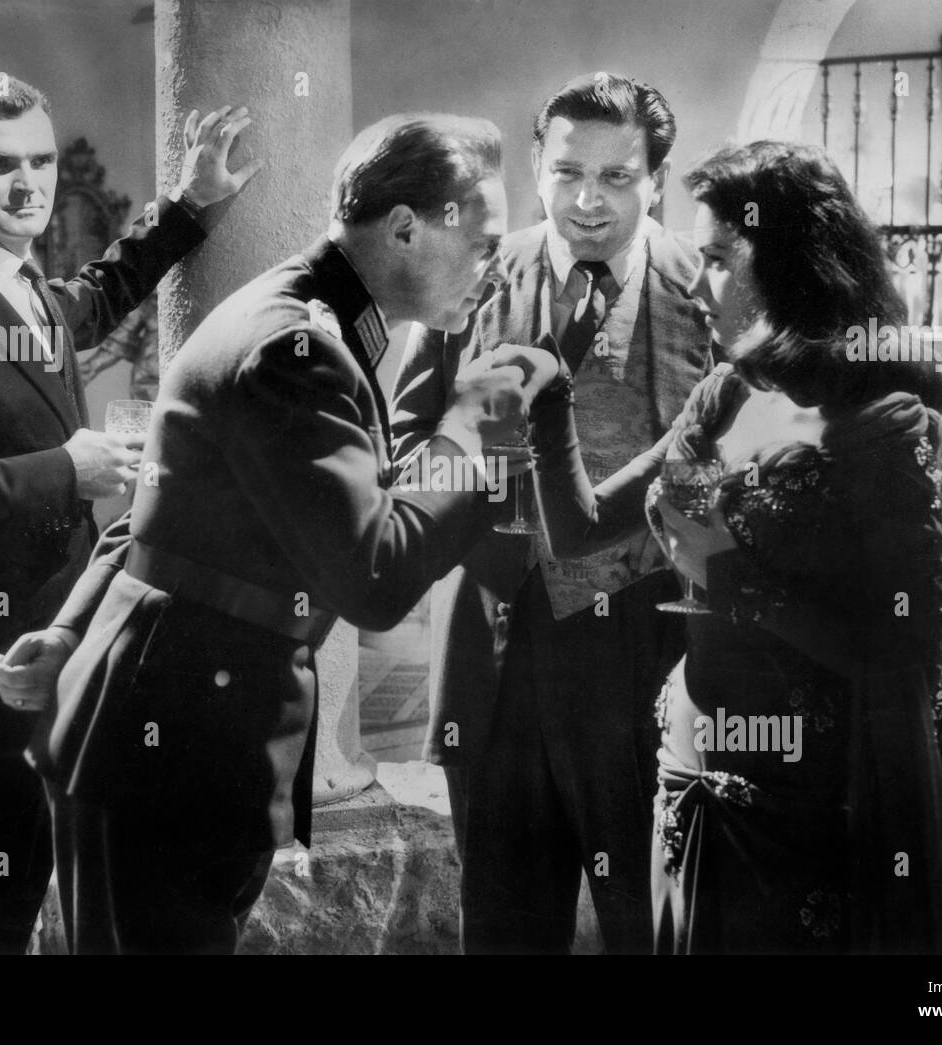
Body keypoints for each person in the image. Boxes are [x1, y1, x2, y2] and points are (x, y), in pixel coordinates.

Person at [0, 113, 559, 954]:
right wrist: (481, 421)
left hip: (167, 730)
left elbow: (156, 515)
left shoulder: (297, 314)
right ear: (405, 228)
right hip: (176, 749)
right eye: (481, 242)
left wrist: (70, 630)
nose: (491, 266)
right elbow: (374, 577)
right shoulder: (299, 351)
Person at [0, 72, 260, 954]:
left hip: (46, 656)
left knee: (18, 895)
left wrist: (191, 207)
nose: (29, 184)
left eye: (40, 160)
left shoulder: (22, 288)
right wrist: (62, 470)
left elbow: (99, 292)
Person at [528, 139, 942, 953]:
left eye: (723, 257)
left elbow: (906, 649)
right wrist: (552, 386)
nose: (699, 279)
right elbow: (581, 529)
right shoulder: (727, 391)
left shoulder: (882, 417)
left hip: (801, 805)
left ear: (798, 263)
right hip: (686, 773)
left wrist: (730, 574)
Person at [390, 72, 711, 954]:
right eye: (568, 172)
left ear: (658, 180)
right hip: (503, 652)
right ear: (537, 166)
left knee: (656, 928)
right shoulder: (474, 277)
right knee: (504, 929)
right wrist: (484, 475)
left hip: (656, 652)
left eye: (616, 177)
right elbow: (406, 446)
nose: (588, 200)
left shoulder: (708, 291)